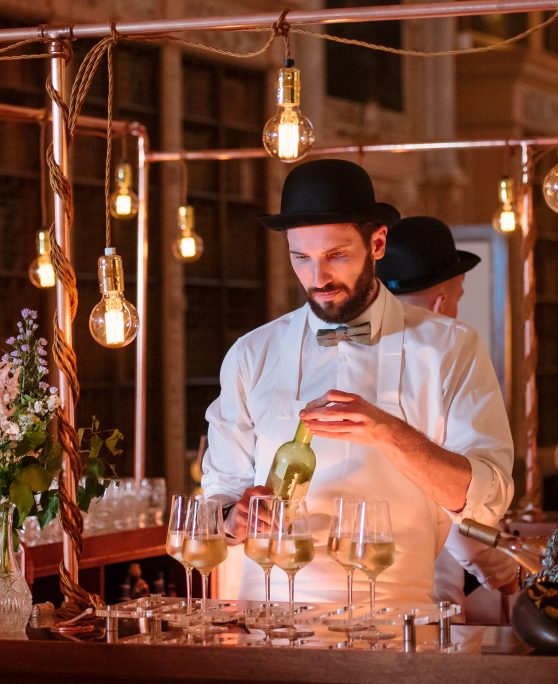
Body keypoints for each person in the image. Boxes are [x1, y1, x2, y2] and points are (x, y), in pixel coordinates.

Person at [201, 159, 514, 604]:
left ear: (378, 243)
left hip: (398, 620)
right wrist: (235, 519)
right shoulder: (251, 354)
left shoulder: (451, 348)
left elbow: (488, 498)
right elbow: (218, 499)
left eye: (337, 255)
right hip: (269, 617)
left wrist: (388, 432)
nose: (318, 278)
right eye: (301, 258)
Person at [377, 215, 519, 609]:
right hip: (428, 599)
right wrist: (508, 575)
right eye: (459, 296)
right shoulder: (449, 358)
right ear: (442, 302)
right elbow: (463, 515)